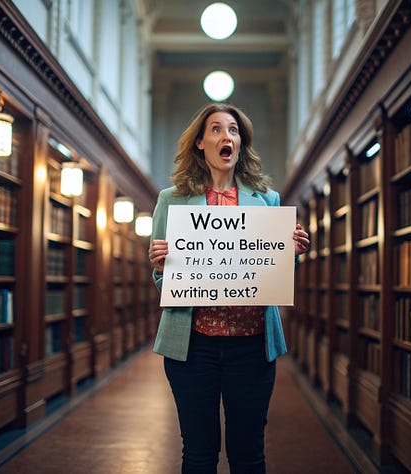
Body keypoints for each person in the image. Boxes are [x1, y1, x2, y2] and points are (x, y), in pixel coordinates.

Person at [148, 102, 309, 474]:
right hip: (192, 347)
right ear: (201, 143)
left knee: (249, 453)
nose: (227, 136)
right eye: (217, 129)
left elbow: (273, 271)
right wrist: (161, 266)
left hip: (252, 347)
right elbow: (162, 280)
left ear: (240, 144)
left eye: (233, 130)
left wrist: (293, 253)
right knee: (199, 453)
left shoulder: (267, 199)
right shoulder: (170, 200)